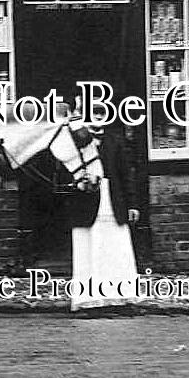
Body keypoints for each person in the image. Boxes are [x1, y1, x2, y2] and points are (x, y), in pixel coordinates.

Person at [64, 108, 142, 312]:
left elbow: (126, 174)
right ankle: (89, 300)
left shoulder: (115, 141)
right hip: (85, 202)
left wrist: (132, 204)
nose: (97, 119)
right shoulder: (73, 142)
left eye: (101, 114)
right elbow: (63, 172)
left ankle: (120, 298)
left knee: (116, 248)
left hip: (112, 201)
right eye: (92, 114)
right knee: (87, 248)